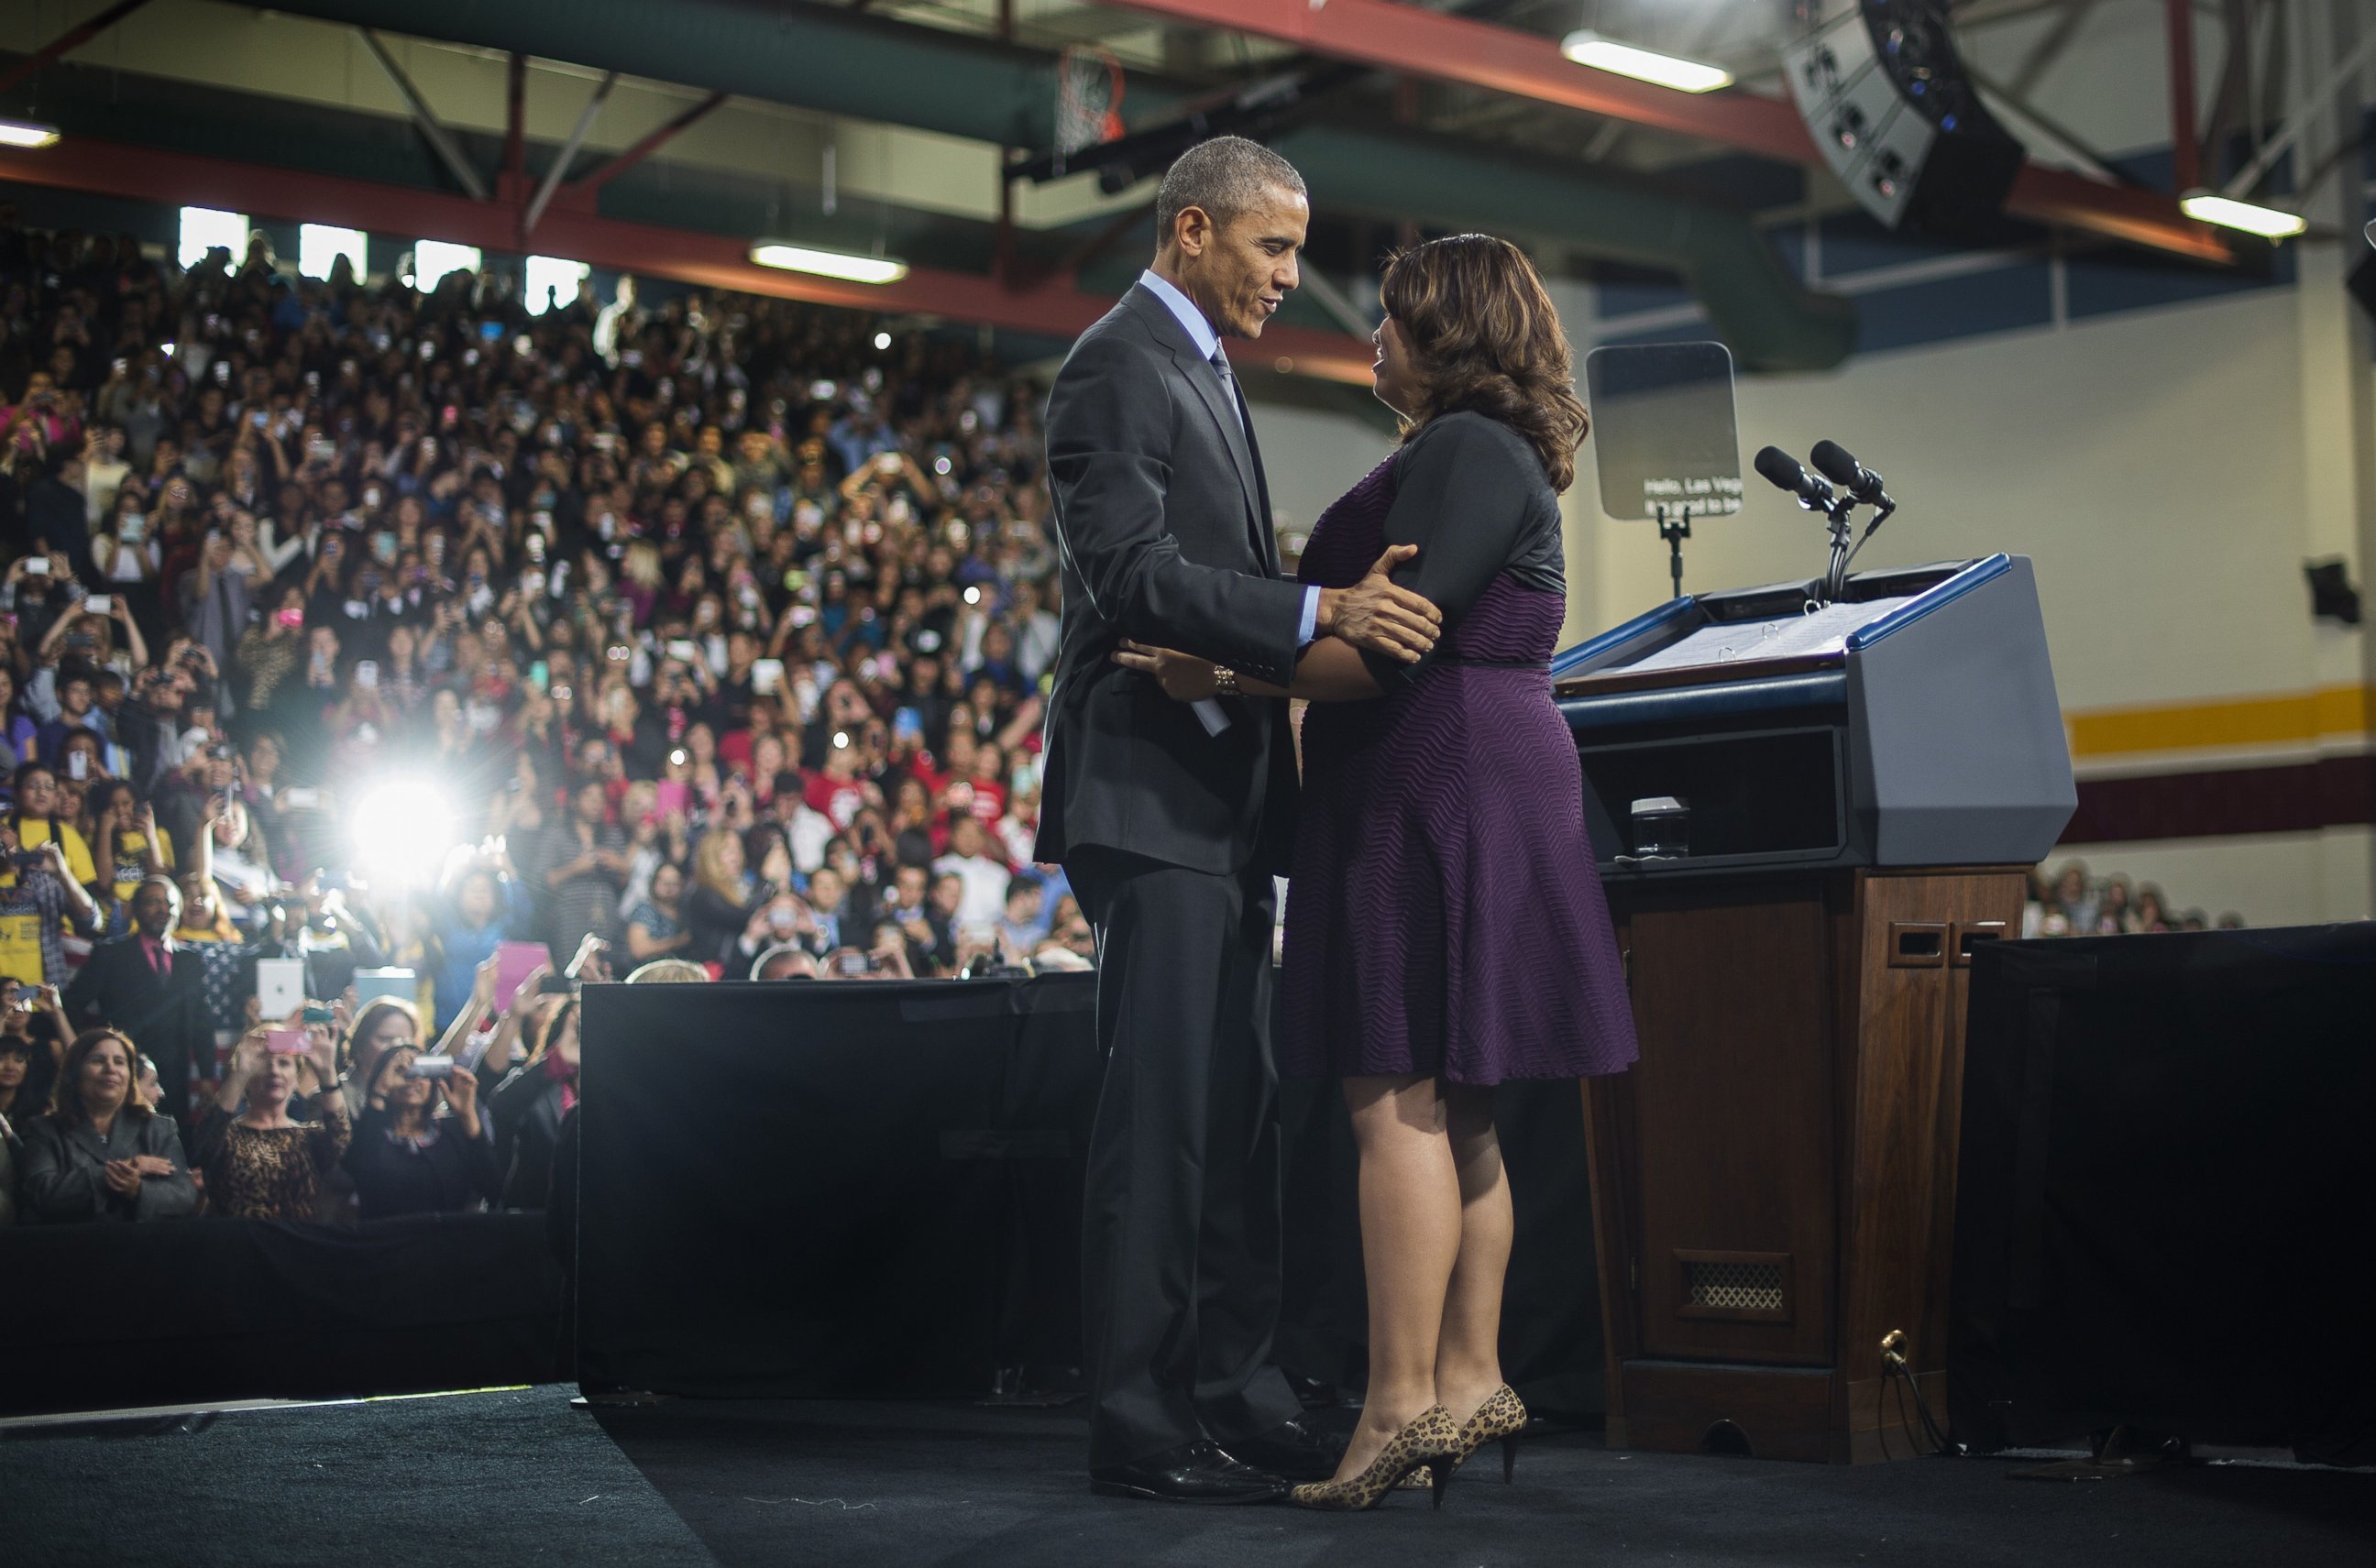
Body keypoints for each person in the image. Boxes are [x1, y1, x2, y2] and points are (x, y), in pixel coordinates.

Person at [1122, 234, 1639, 1509]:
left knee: (1393, 1089)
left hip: (1435, 771)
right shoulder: (1469, 452)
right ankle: (1468, 1378)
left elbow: (1387, 650)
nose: (1374, 335)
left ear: (1452, 334)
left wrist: (1218, 669)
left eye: (1398, 317)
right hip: (1465, 765)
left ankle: (1398, 1404)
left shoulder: (1465, 449)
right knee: (1457, 1101)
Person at [1036, 137, 1447, 1504]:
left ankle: (1232, 1385)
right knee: (1163, 1122)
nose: (1292, 276)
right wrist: (1311, 610)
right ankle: (1140, 1420)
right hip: (1146, 790)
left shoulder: (1198, 364)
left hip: (1214, 795)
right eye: (1274, 248)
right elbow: (1134, 572)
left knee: (1238, 1113)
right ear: (1194, 229)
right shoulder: (1116, 361)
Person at [62, 874, 211, 1131]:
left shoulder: (191, 960)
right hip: (123, 1071)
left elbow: (201, 1021)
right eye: (153, 902)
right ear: (135, 909)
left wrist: (208, 1076)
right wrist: (87, 1054)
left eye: (169, 903)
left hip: (175, 1076)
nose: (163, 909)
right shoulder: (109, 953)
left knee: (175, 1145)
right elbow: (73, 1003)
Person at [14, 1028, 198, 1223]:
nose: (111, 1068)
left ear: (130, 1075)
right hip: (68, 1248)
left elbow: (184, 1197)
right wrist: (121, 1170)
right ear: (74, 1073)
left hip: (142, 1248)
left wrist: (137, 1189)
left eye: (119, 1062)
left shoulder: (160, 1128)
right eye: (98, 1061)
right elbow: (40, 1194)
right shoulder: (43, 1129)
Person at [191, 1025, 352, 1221]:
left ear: (296, 1079)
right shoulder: (228, 1136)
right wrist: (240, 1074)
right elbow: (205, 1144)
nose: (274, 1070)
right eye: (264, 1062)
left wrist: (327, 1073)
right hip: (236, 1245)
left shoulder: (310, 1138)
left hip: (292, 1245)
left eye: (284, 1063)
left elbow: (342, 1140)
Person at [343, 1041, 498, 1221]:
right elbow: (358, 1168)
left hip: (445, 1239)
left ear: (433, 1082)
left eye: (421, 1072)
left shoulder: (452, 1130)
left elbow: (492, 1187)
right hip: (384, 1239)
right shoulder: (370, 1129)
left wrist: (468, 1115)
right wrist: (380, 1092)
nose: (413, 1079)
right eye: (401, 1071)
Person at [489, 997, 577, 1210]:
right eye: (578, 1025)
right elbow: (501, 1107)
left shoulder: (614, 1086)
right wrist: (558, 1060)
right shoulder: (539, 1084)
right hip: (537, 1215)